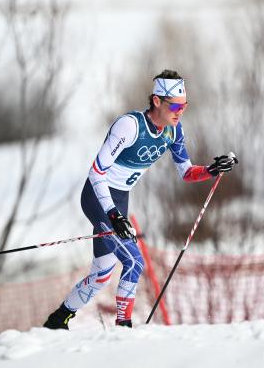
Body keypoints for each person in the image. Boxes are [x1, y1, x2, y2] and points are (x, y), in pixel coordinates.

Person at [43, 69, 238, 329]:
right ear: (157, 101)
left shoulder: (173, 131)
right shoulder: (130, 126)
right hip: (98, 197)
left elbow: (187, 173)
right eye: (175, 105)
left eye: (185, 106)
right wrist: (113, 214)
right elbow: (96, 172)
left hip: (120, 200)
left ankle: (57, 320)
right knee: (134, 261)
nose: (180, 111)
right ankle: (124, 328)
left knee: (101, 275)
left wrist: (212, 170)